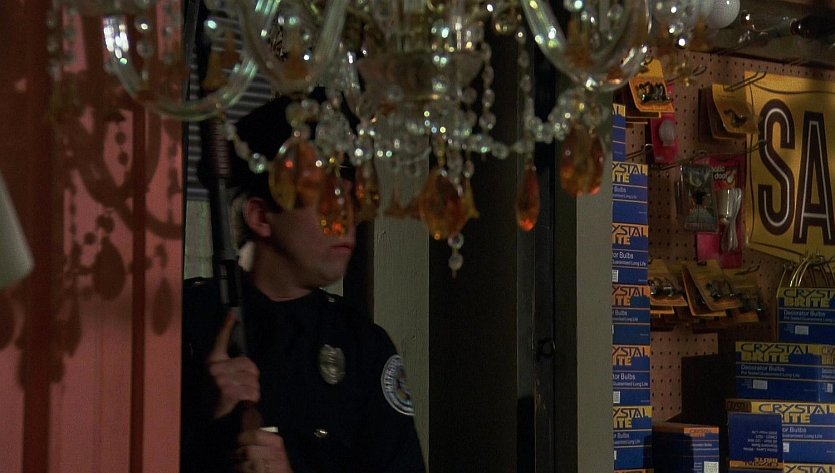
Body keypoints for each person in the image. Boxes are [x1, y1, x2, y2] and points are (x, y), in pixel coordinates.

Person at [180, 96, 426, 473]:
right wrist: (206, 418)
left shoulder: (362, 347)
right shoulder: (187, 324)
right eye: (326, 199)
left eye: (350, 201)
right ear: (261, 217)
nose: (346, 220)